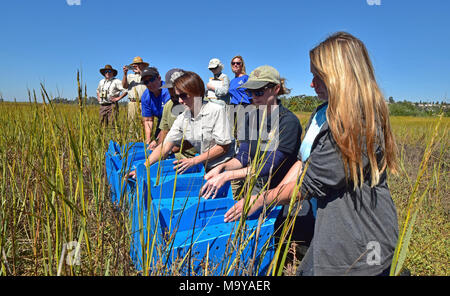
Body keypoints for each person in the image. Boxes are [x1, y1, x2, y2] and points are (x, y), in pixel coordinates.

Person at [224, 32, 399, 276]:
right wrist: (267, 199)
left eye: (318, 76)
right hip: (330, 227)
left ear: (341, 77)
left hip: (356, 241)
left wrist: (260, 200)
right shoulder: (324, 114)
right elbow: (302, 162)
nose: (311, 83)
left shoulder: (354, 122)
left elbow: (309, 184)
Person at [201, 65, 302, 202]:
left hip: (280, 192)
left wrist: (227, 176)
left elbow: (268, 166)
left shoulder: (287, 122)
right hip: (255, 185)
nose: (254, 97)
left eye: (259, 91)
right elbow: (243, 156)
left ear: (276, 89)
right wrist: (222, 167)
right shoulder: (251, 117)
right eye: (250, 92)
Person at [128, 70, 234, 178]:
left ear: (197, 92)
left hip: (227, 168)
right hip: (205, 168)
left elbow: (223, 147)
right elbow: (165, 146)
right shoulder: (183, 117)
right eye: (178, 96)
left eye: (183, 96)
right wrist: (144, 167)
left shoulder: (216, 110)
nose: (180, 101)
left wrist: (194, 160)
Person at [147, 68, 197, 160]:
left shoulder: (196, 103)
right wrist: (159, 149)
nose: (175, 91)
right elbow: (164, 131)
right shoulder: (168, 106)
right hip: (172, 152)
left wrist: (171, 149)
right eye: (172, 88)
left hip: (194, 155)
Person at [140, 67, 171, 145]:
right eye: (146, 82)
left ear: (159, 78)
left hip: (174, 120)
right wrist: (148, 140)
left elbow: (169, 121)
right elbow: (148, 120)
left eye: (152, 79)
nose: (150, 84)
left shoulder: (169, 92)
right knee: (153, 144)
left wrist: (157, 140)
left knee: (162, 144)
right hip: (162, 121)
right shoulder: (145, 96)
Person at [122, 56, 149, 122]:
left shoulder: (146, 75)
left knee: (143, 124)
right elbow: (124, 86)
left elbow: (149, 83)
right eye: (135, 64)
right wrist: (125, 74)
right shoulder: (130, 76)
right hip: (132, 103)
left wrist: (140, 72)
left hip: (143, 103)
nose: (136, 66)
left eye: (138, 64)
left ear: (142, 65)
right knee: (132, 124)